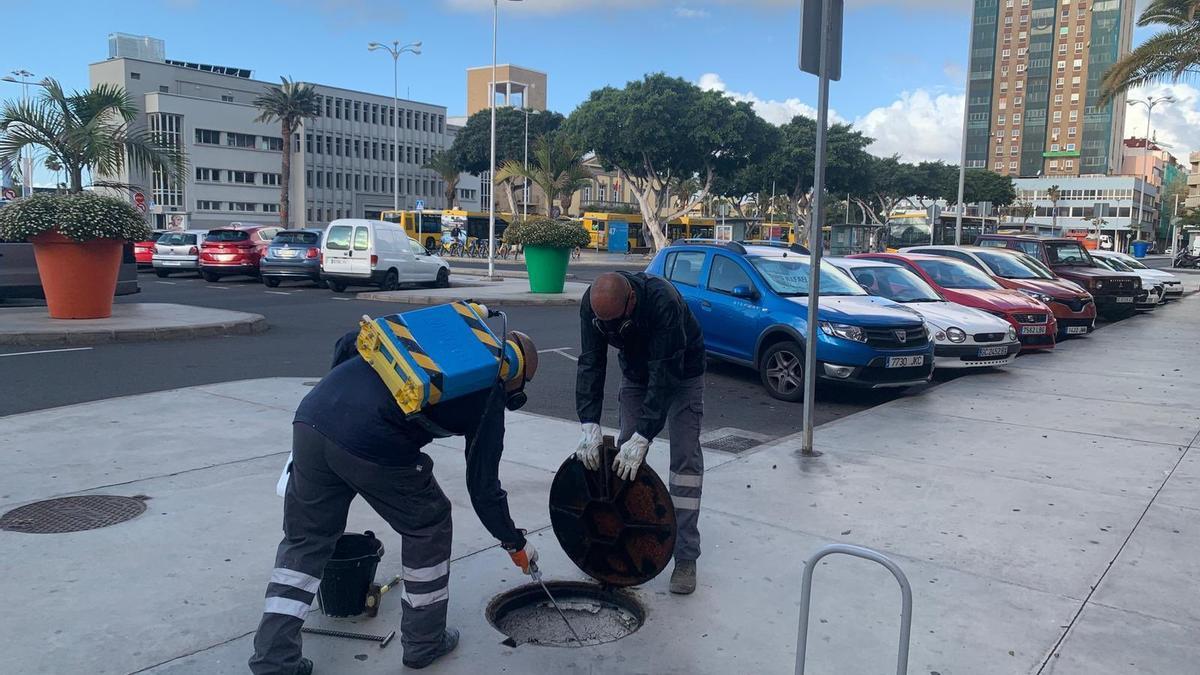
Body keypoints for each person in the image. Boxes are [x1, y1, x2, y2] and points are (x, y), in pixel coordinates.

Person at [249, 324, 539, 674]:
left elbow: (346, 341)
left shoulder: (436, 339)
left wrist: (343, 404)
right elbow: (483, 487)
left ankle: (273, 659)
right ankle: (424, 643)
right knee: (428, 523)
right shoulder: (490, 386)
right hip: (371, 437)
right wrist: (514, 541)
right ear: (514, 381)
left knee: (304, 541)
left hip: (312, 418)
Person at [574, 271, 706, 594]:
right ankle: (626, 548)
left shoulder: (664, 303)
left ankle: (685, 557)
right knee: (624, 460)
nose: (609, 331)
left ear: (631, 301)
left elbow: (665, 375)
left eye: (615, 323)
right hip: (635, 373)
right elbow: (591, 363)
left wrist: (644, 435)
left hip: (681, 372)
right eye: (604, 325)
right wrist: (588, 422)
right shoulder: (592, 307)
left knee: (685, 461)